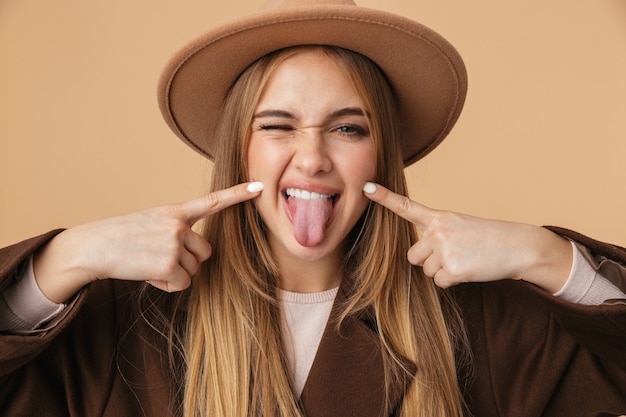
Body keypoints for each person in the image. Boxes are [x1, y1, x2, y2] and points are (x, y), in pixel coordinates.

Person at [1, 0, 625, 416]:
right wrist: (66, 258)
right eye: (278, 126)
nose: (313, 158)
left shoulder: (481, 322)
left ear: (382, 155)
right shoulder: (127, 322)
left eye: (348, 129)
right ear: (238, 153)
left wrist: (549, 257)